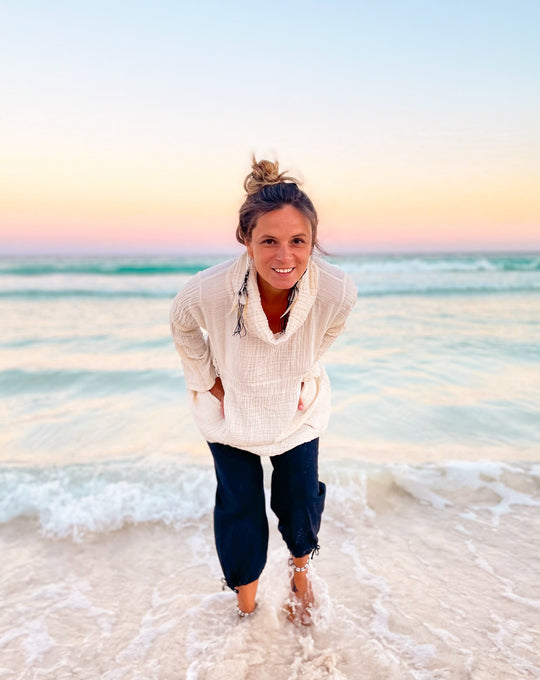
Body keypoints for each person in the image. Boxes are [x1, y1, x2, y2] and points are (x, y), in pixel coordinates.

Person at [170, 157, 356, 624]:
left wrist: (303, 371)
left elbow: (330, 330)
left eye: (298, 241)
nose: (284, 256)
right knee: (239, 508)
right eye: (268, 241)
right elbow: (181, 323)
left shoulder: (336, 290)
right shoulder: (208, 290)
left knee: (298, 500)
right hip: (229, 413)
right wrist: (210, 384)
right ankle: (247, 611)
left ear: (313, 242)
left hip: (297, 410)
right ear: (245, 240)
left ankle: (299, 573)